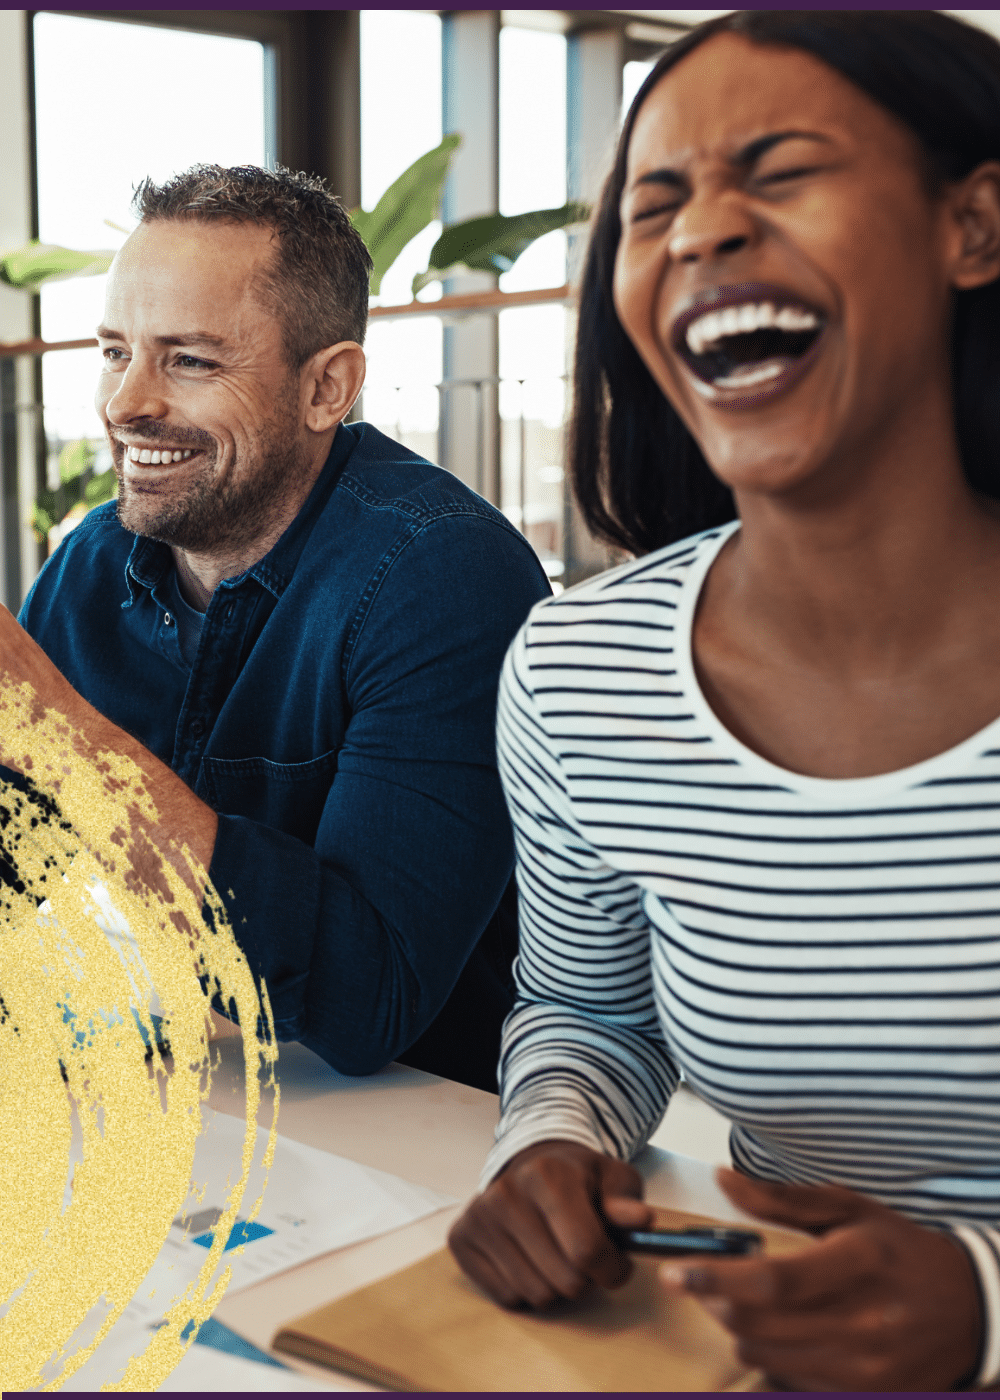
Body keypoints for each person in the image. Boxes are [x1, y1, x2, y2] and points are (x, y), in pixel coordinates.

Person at [448, 10, 1000, 1389]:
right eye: (655, 205)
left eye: (780, 168)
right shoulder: (582, 672)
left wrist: (985, 1305)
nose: (701, 232)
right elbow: (591, 1015)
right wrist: (552, 1145)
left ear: (974, 227)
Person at [13, 164, 549, 1092]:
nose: (125, 402)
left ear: (327, 387)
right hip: (173, 1091)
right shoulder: (92, 563)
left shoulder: (444, 577)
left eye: (190, 359)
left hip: (413, 1139)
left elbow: (370, 995)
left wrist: (54, 731)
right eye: (114, 351)